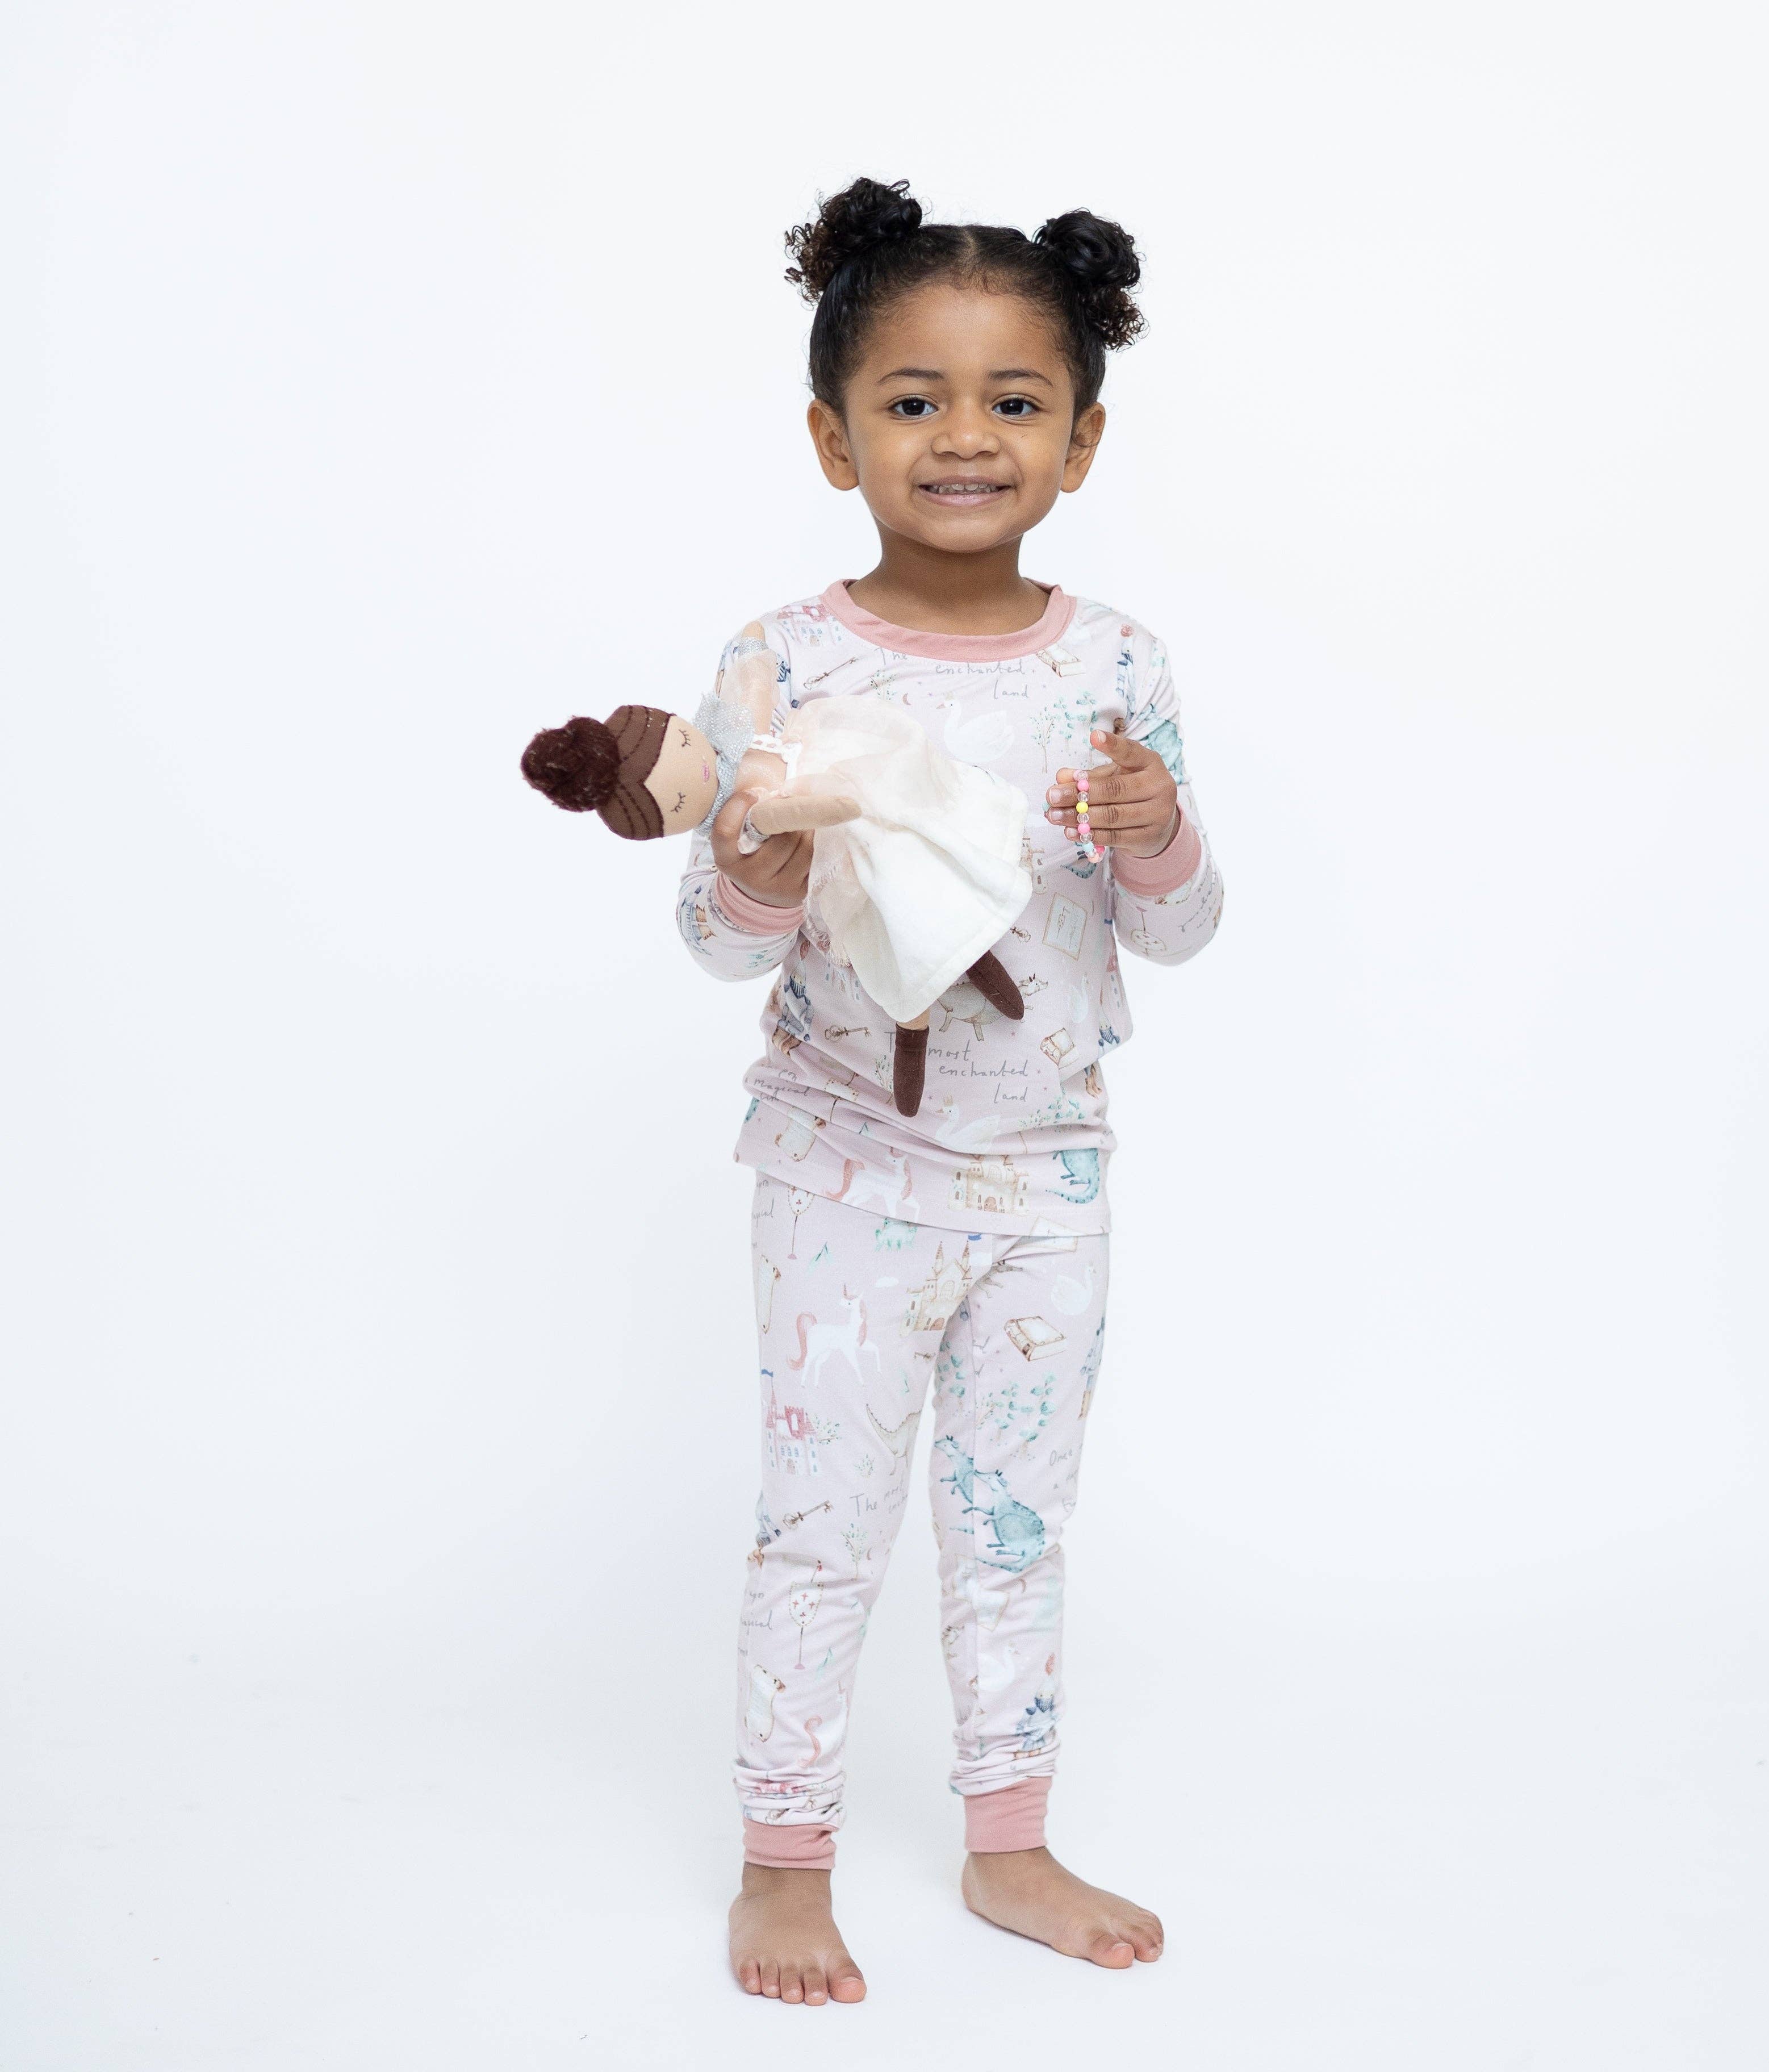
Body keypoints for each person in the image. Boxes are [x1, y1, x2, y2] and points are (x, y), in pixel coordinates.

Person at [680, 176, 1223, 2006]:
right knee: (822, 1525)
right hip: (842, 1168)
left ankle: (1009, 1840)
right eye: (913, 400)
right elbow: (716, 941)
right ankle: (782, 1858)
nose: (965, 436)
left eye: (1013, 400)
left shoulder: (1116, 666)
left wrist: (1158, 832)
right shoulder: (783, 662)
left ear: (1081, 438)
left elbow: (1183, 929)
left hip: (1048, 1176)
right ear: (835, 439)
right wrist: (760, 859)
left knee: (1012, 1522)